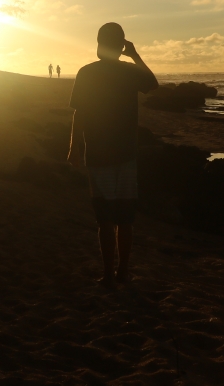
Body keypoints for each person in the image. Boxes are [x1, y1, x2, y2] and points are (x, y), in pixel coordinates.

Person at [67, 22, 158, 287]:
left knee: (105, 218)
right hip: (125, 154)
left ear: (98, 44)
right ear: (121, 46)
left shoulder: (87, 72)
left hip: (98, 153)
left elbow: (78, 113)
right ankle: (122, 272)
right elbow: (153, 84)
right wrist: (134, 54)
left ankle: (109, 274)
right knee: (125, 217)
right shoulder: (128, 71)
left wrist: (74, 147)